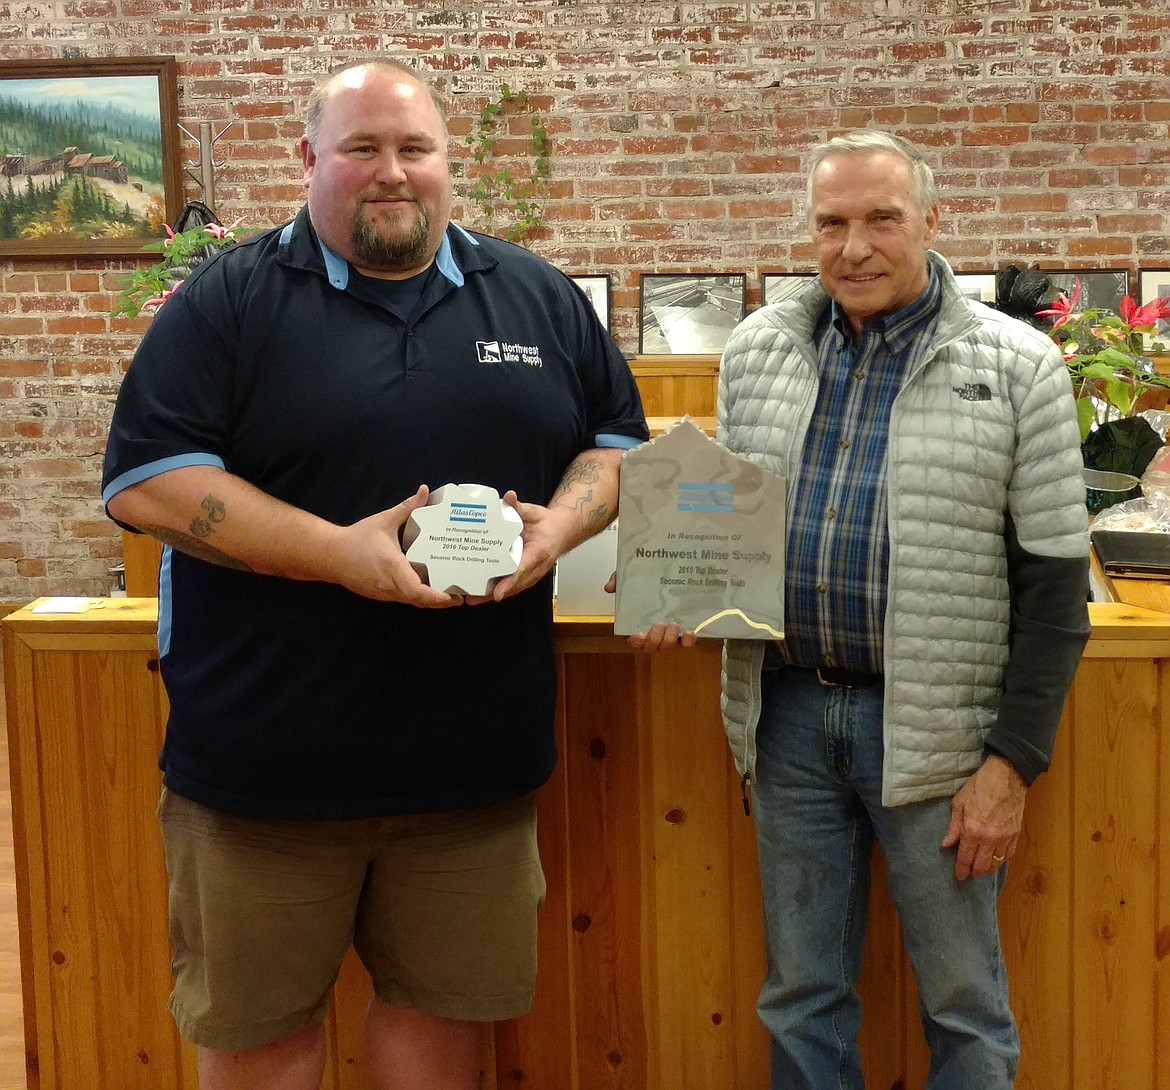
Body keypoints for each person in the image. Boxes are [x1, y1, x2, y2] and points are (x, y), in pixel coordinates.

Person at [101, 58, 647, 1090]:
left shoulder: (535, 297)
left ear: (448, 163)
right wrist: (338, 555)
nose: (391, 171)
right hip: (263, 777)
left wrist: (556, 531)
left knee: (440, 1035)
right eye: (361, 148)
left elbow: (616, 443)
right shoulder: (229, 302)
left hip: (470, 778)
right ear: (309, 160)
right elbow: (148, 481)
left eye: (414, 148)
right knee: (263, 1041)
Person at [628, 131, 1089, 1088]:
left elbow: (1055, 590)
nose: (856, 246)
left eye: (883, 218)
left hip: (940, 739)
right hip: (788, 719)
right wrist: (680, 593)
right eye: (833, 222)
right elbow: (728, 528)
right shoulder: (758, 350)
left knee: (965, 1007)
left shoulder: (1017, 364)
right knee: (801, 997)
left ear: (932, 219)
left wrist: (1011, 765)